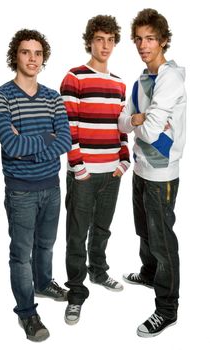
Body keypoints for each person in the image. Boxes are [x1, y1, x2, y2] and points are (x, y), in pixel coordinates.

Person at [0, 29, 71, 342]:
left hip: (51, 187)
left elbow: (64, 139)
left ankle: (44, 282)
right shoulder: (0, 96)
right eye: (26, 52)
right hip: (20, 190)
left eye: (38, 53)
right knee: (21, 255)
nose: (32, 58)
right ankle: (27, 313)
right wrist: (45, 141)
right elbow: (10, 145)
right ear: (16, 56)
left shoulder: (52, 97)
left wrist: (31, 145)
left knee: (46, 245)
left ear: (43, 58)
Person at [118, 8, 186, 337]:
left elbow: (153, 129)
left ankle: (167, 308)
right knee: (144, 230)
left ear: (163, 41)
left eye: (151, 39)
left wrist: (139, 122)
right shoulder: (141, 81)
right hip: (141, 170)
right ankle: (148, 273)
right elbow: (123, 121)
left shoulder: (169, 78)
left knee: (162, 241)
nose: (144, 45)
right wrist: (136, 120)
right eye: (139, 39)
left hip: (162, 174)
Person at [60, 15, 130, 325]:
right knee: (78, 233)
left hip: (112, 172)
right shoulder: (74, 77)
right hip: (84, 173)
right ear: (90, 41)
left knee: (102, 227)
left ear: (115, 43)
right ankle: (76, 291)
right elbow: (67, 126)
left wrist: (124, 159)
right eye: (99, 39)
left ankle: (99, 271)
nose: (105, 45)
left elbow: (122, 125)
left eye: (110, 40)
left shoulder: (118, 83)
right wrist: (78, 166)